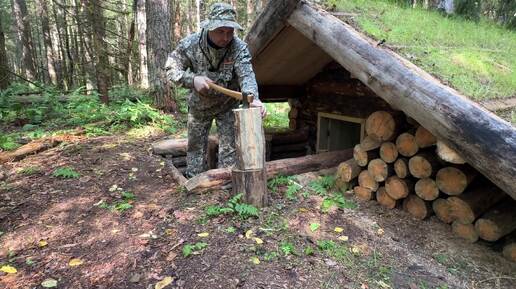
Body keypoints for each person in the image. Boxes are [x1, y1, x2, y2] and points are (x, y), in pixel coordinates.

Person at [165, 2, 266, 178]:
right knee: (196, 148)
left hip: (227, 106)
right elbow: (170, 69)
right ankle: (194, 183)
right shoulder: (190, 44)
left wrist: (253, 98)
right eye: (220, 31)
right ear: (209, 27)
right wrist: (192, 79)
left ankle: (224, 183)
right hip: (199, 107)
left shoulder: (238, 47)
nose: (226, 37)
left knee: (229, 149)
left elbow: (246, 75)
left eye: (230, 31)